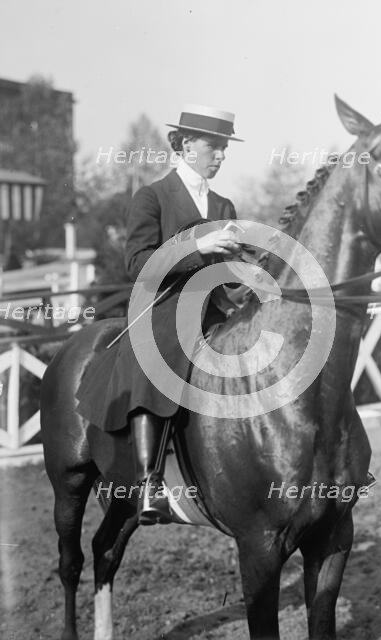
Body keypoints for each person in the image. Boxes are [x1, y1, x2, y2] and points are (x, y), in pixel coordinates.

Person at [75, 104, 244, 525]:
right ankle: (150, 481)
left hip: (216, 308)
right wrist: (197, 250)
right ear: (187, 145)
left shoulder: (224, 205)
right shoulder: (152, 196)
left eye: (224, 148)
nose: (220, 156)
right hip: (166, 306)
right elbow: (137, 263)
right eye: (214, 147)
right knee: (156, 357)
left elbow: (229, 273)